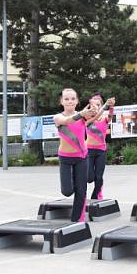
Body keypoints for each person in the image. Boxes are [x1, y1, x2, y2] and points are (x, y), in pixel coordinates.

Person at [53, 89, 97, 222]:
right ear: (61, 101)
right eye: (66, 99)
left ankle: (77, 220)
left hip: (82, 157)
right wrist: (82, 114)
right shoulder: (58, 117)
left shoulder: (83, 115)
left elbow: (95, 115)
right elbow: (67, 121)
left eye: (73, 98)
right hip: (65, 158)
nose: (70, 101)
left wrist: (95, 108)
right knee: (67, 191)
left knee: (81, 190)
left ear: (77, 101)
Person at [85, 94, 115, 200]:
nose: (95, 106)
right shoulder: (87, 118)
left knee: (99, 177)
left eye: (98, 104)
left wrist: (111, 107)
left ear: (101, 105)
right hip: (88, 151)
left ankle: (96, 195)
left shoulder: (105, 118)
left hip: (101, 151)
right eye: (93, 104)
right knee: (89, 178)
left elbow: (111, 116)